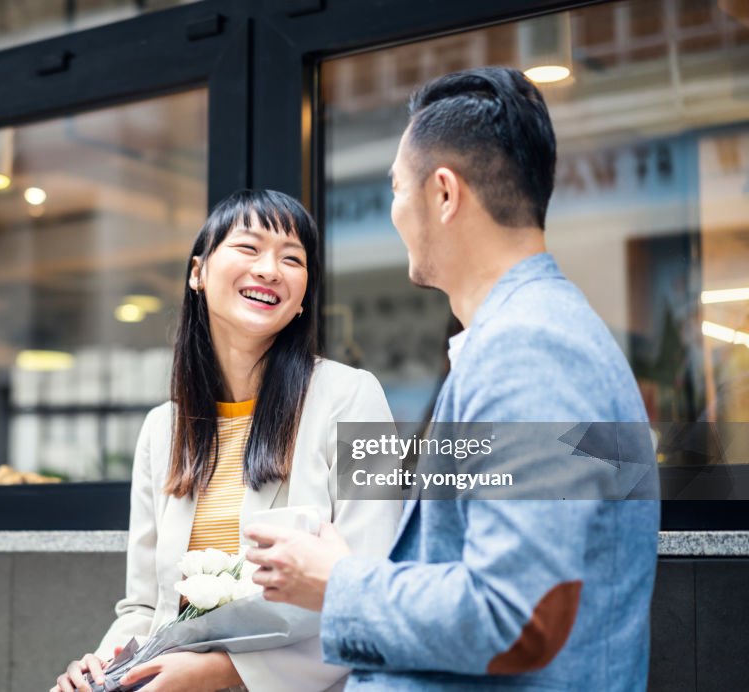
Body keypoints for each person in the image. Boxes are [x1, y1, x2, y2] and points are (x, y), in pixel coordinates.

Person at [245, 67, 660, 690]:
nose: (394, 212)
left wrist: (337, 580)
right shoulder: (538, 334)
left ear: (443, 194)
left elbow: (518, 616)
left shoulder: (531, 349)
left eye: (395, 189)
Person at [52, 189, 402, 692]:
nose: (269, 269)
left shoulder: (352, 397)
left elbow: (371, 593)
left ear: (303, 296)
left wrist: (224, 673)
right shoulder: (162, 430)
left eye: (292, 258)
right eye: (249, 248)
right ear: (198, 272)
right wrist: (101, 670)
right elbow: (147, 607)